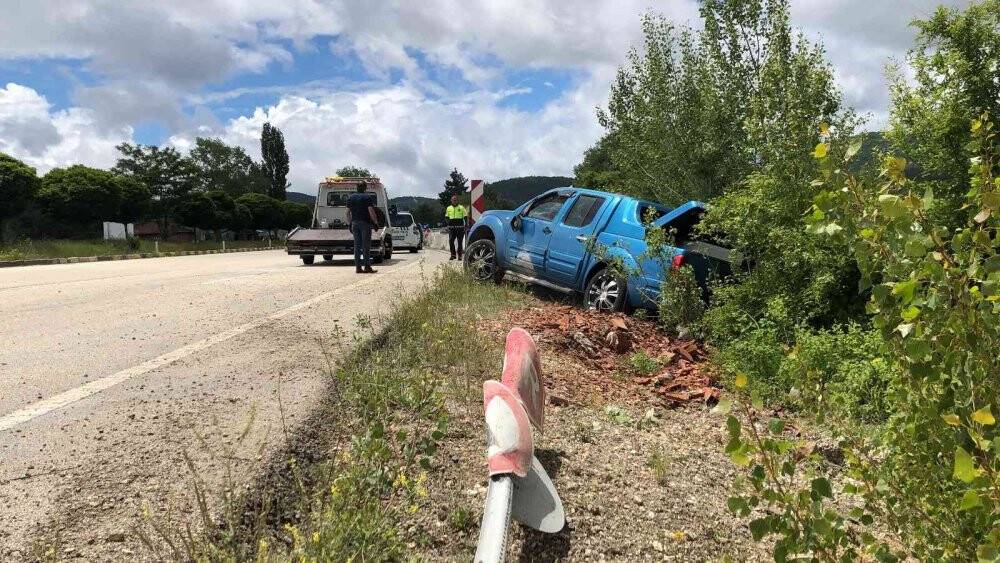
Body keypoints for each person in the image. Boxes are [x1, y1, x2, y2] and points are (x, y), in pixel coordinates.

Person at [345, 181, 379, 273]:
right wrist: (375, 222)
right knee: (366, 246)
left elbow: (347, 212)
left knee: (357, 246)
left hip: (355, 223)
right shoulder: (367, 197)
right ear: (365, 188)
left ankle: (358, 267)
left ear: (356, 188)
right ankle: (367, 267)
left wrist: (350, 223)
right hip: (365, 223)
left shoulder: (351, 198)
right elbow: (371, 211)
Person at [445, 195, 469, 260]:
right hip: (451, 227)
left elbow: (465, 217)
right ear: (451, 200)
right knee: (451, 241)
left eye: (455, 200)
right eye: (453, 200)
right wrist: (448, 224)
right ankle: (453, 255)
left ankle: (460, 256)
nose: (454, 201)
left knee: (459, 242)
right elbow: (446, 217)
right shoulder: (448, 208)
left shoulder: (462, 208)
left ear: (457, 200)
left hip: (460, 227)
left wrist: (466, 225)